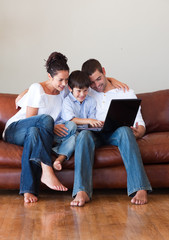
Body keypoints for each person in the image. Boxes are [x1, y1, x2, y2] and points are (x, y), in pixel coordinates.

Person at [71, 59, 152, 207]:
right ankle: (82, 191)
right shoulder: (86, 92)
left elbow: (140, 123)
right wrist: (29, 90)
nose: (97, 85)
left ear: (104, 71)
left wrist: (138, 133)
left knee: (126, 131)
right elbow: (61, 86)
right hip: (94, 133)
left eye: (99, 79)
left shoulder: (125, 91)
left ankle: (140, 188)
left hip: (117, 133)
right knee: (83, 135)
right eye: (92, 83)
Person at [3, 52, 77, 203]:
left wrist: (110, 79)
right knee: (43, 121)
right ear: (49, 77)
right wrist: (50, 124)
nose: (64, 83)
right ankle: (47, 169)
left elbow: (85, 83)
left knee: (36, 133)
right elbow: (31, 120)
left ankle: (28, 190)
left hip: (34, 132)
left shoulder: (63, 93)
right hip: (15, 129)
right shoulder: (37, 88)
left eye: (66, 79)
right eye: (60, 80)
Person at [52, 70, 103, 171]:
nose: (82, 94)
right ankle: (55, 143)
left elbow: (92, 121)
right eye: (78, 91)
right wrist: (89, 121)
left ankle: (60, 159)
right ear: (70, 88)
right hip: (63, 131)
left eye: (85, 90)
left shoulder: (91, 101)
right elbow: (71, 120)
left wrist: (97, 124)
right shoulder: (67, 101)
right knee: (72, 125)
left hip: (77, 134)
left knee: (77, 137)